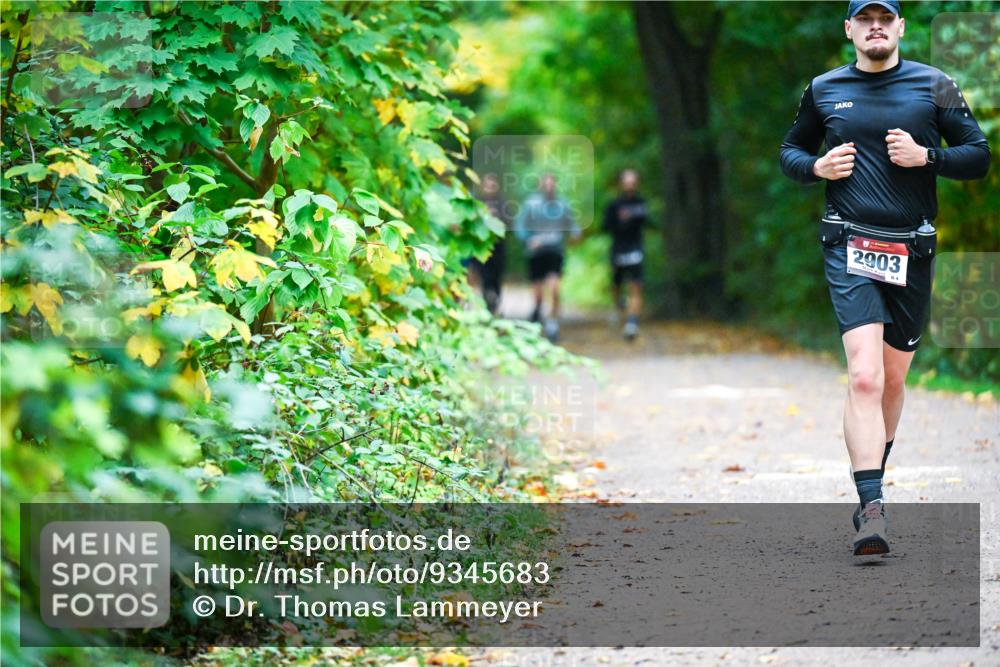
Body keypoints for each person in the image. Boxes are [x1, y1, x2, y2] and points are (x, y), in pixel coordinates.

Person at [779, 0, 990, 556]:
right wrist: (815, 168)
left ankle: (870, 475)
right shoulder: (824, 89)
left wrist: (928, 157)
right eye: (865, 19)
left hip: (911, 250)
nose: (876, 26)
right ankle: (872, 507)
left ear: (899, 27)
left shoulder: (934, 84)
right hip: (848, 243)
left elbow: (979, 156)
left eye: (886, 18)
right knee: (866, 378)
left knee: (893, 382)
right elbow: (790, 151)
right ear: (849, 29)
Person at [514, 172, 580, 342]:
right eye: (546, 183)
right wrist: (529, 239)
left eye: (552, 183)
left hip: (555, 252)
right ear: (541, 185)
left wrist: (575, 233)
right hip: (536, 254)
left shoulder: (563, 204)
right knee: (538, 295)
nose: (549, 186)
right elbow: (520, 227)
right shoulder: (531, 204)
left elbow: (572, 224)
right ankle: (536, 314)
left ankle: (552, 323)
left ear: (555, 185)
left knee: (555, 288)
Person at [603, 169, 650, 341]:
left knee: (636, 287)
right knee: (616, 286)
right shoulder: (613, 205)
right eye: (626, 181)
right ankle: (618, 304)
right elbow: (606, 226)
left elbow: (647, 220)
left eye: (633, 181)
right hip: (618, 251)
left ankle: (632, 323)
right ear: (621, 183)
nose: (630, 185)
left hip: (636, 250)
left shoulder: (641, 203)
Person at [471, 173, 508, 314]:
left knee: (496, 275)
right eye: (487, 185)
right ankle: (487, 302)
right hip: (480, 246)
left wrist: (497, 217)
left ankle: (495, 301)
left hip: (498, 247)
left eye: (493, 185)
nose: (490, 188)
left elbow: (509, 224)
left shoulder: (503, 204)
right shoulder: (477, 202)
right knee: (483, 275)